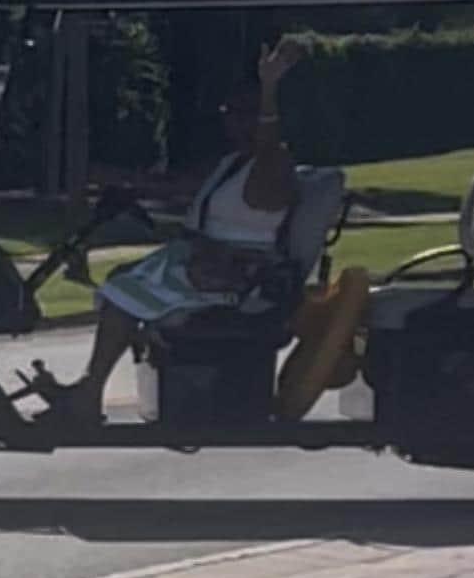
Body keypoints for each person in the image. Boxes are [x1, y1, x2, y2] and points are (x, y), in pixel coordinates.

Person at [39, 36, 308, 425]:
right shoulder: (233, 163)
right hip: (201, 266)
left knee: (121, 295)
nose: (233, 121)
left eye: (244, 114)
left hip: (234, 278)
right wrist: (115, 178)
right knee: (120, 281)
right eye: (230, 112)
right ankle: (95, 387)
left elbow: (268, 149)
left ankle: (89, 393)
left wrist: (270, 89)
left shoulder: (273, 167)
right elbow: (177, 184)